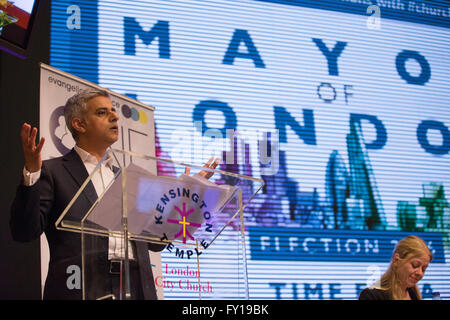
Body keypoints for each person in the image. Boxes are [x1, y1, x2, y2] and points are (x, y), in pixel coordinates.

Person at [10, 88, 218, 300]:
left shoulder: (130, 178)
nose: (115, 116)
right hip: (80, 287)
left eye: (113, 111)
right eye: (102, 112)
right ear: (79, 124)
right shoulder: (52, 172)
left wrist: (186, 196)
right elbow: (24, 231)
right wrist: (32, 173)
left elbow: (156, 242)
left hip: (136, 287)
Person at [359, 235, 433, 300]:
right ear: (396, 260)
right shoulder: (372, 296)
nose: (420, 273)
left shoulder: (414, 296)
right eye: (415, 265)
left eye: (424, 269)